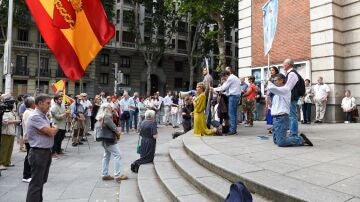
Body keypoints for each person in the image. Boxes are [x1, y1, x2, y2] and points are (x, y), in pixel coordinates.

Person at [26, 94, 58, 202]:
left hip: (45, 152)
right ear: (39, 103)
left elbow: (52, 129)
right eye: (48, 103)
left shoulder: (43, 115)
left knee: (40, 182)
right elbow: (52, 131)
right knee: (36, 184)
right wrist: (50, 130)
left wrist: (49, 130)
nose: (49, 105)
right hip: (38, 153)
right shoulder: (35, 116)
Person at [267, 74, 313, 147]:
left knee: (281, 143)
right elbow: (272, 105)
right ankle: (289, 138)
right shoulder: (277, 92)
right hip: (275, 119)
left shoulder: (286, 90)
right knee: (276, 141)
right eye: (273, 81)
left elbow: (271, 88)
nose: (274, 82)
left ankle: (301, 139)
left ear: (281, 80)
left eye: (275, 80)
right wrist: (268, 97)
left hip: (281, 118)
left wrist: (269, 81)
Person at [95, 103, 127, 182]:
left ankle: (105, 174)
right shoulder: (106, 116)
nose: (111, 109)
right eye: (110, 108)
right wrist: (118, 134)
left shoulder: (101, 116)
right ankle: (118, 175)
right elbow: (114, 127)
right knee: (117, 155)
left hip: (104, 139)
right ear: (106, 109)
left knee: (106, 156)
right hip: (109, 139)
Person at [212, 71, 241, 135]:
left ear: (226, 75)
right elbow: (230, 90)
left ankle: (232, 130)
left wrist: (213, 89)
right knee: (234, 114)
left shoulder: (230, 78)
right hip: (236, 96)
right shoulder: (235, 77)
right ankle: (234, 129)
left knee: (231, 114)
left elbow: (223, 88)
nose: (224, 80)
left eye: (224, 78)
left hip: (233, 97)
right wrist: (224, 93)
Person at [283, 58, 303, 137]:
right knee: (291, 115)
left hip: (291, 97)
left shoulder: (292, 74)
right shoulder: (290, 73)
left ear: (288, 64)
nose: (283, 65)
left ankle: (294, 133)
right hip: (291, 97)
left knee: (292, 116)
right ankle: (292, 132)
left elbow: (288, 88)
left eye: (284, 63)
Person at [0, 98, 21, 170]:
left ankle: (7, 162)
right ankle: (1, 163)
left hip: (11, 131)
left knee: (10, 148)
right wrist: (15, 121)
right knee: (4, 148)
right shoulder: (5, 111)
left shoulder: (11, 111)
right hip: (6, 132)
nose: (14, 105)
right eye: (12, 103)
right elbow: (4, 121)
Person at [21, 97, 35, 183]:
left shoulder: (30, 112)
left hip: (31, 137)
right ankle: (26, 176)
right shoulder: (27, 113)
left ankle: (29, 174)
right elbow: (29, 125)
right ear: (32, 104)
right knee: (29, 156)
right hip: (29, 138)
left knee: (31, 156)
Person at [265, 66, 279, 134]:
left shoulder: (278, 78)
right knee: (270, 112)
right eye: (270, 70)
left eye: (273, 70)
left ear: (276, 71)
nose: (271, 71)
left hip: (275, 96)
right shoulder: (270, 79)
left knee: (275, 111)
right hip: (270, 96)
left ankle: (276, 127)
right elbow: (267, 88)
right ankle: (270, 128)